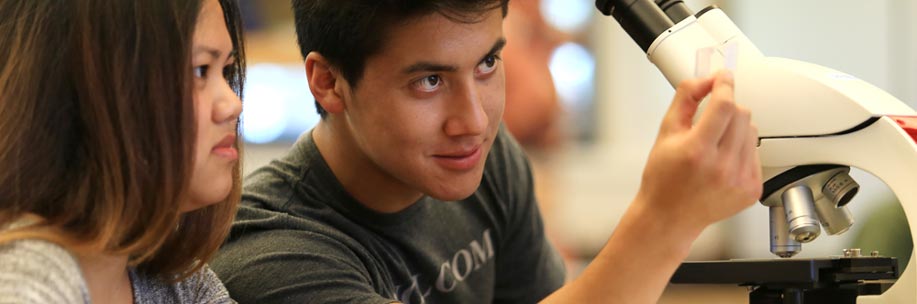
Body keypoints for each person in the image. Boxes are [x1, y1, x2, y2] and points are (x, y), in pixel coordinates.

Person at [211, 0, 761, 303]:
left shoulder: (487, 162)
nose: (473, 121)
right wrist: (664, 220)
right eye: (429, 81)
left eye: (487, 65)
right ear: (328, 82)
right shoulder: (270, 254)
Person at [0, 0, 245, 302]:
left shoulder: (178, 282)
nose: (233, 104)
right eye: (200, 70)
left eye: (226, 70)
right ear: (93, 90)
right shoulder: (21, 283)